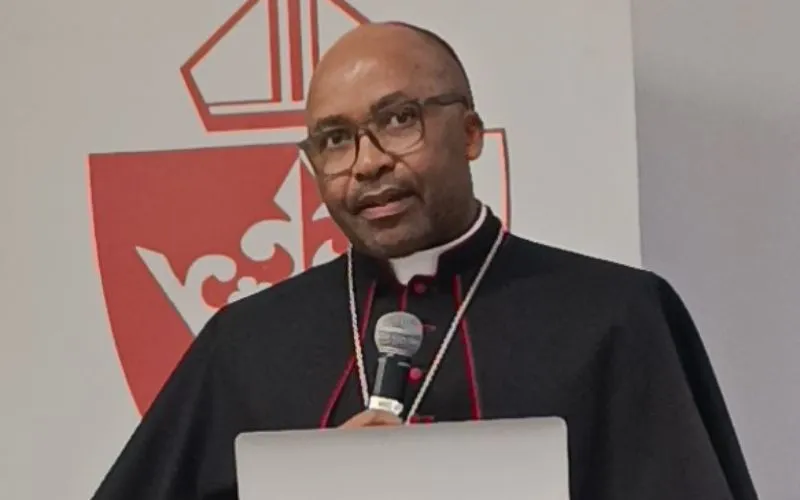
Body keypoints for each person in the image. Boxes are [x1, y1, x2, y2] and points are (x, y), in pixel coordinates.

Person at [91, 21, 758, 500]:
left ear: (469, 134)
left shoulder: (616, 316)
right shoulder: (247, 342)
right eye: (334, 140)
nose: (367, 163)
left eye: (398, 120)